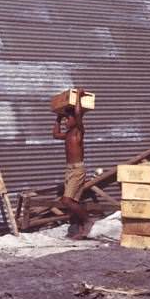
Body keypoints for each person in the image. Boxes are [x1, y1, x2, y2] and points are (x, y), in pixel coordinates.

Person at [52, 89, 93, 239]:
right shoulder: (68, 134)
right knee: (74, 201)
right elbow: (55, 135)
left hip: (77, 169)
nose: (66, 122)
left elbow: (77, 113)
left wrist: (78, 98)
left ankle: (88, 221)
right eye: (65, 120)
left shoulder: (78, 131)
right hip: (69, 170)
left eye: (67, 119)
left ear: (76, 120)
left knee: (66, 200)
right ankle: (81, 230)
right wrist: (58, 117)